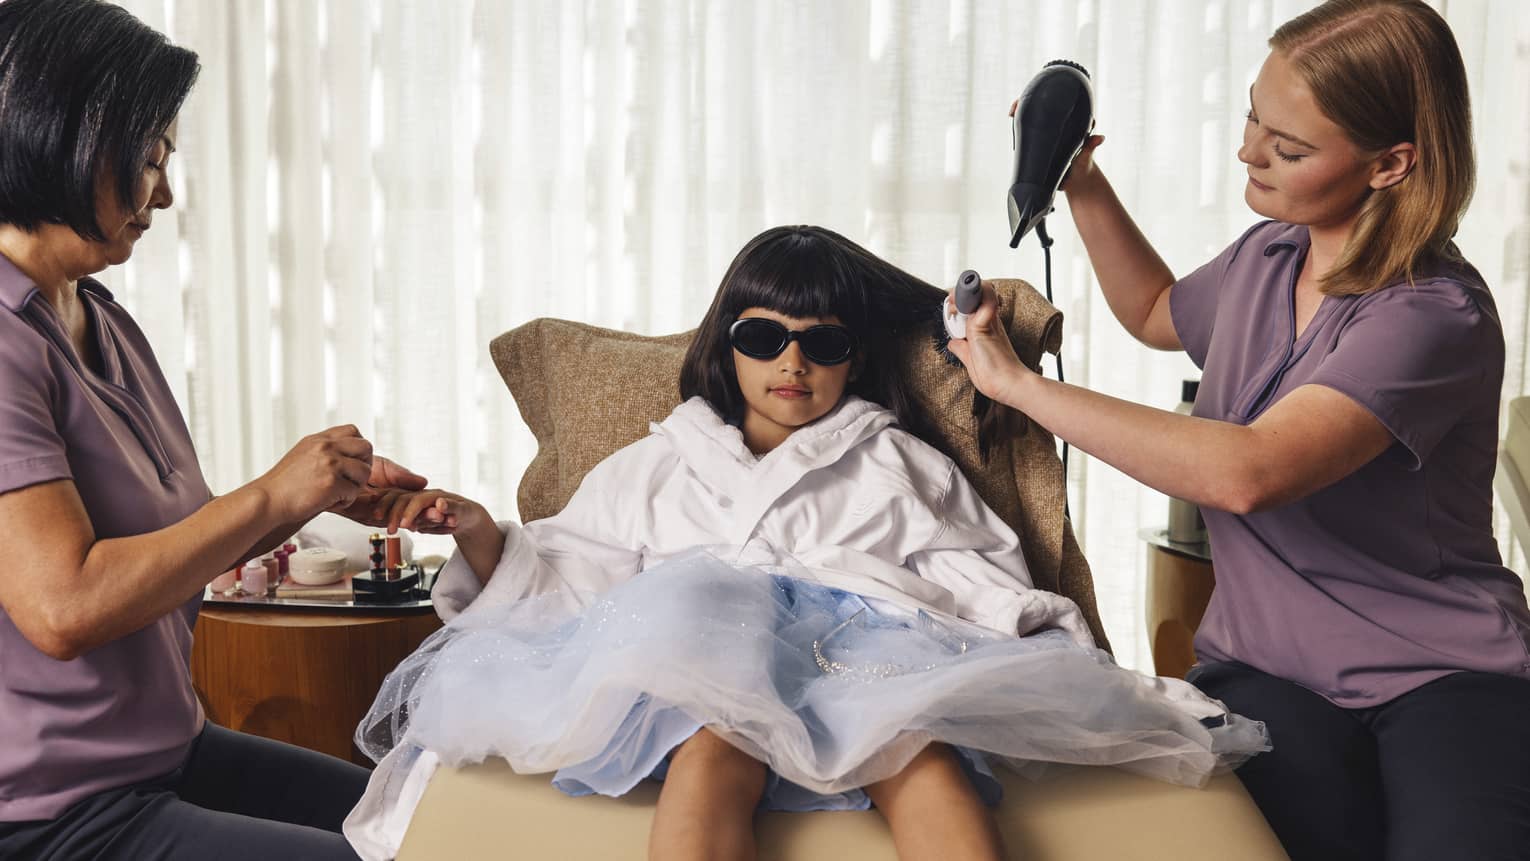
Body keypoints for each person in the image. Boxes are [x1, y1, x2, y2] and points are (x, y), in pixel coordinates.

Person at [343, 225, 1269, 861]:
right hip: (708, 662)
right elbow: (573, 566)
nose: (793, 362)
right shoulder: (658, 463)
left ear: (854, 358)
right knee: (712, 751)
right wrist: (478, 533)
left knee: (921, 755)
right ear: (727, 344)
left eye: (822, 344)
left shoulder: (897, 460)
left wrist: (1028, 635)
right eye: (765, 336)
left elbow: (971, 568)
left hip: (866, 657)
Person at [948, 1, 1530, 859]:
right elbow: (1155, 308)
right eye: (1254, 117)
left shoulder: (1432, 315)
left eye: (1287, 148)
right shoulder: (1270, 255)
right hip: (1270, 666)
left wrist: (1018, 386)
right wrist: (1080, 181)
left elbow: (1248, 472)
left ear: (1391, 163)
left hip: (1441, 668)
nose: (1248, 152)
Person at [0, 2, 426, 858]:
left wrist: (311, 499)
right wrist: (270, 491)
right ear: (67, 133)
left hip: (168, 751)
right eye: (150, 158)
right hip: (55, 810)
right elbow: (63, 605)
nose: (164, 193)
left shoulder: (98, 317)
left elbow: (175, 541)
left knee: (431, 826)